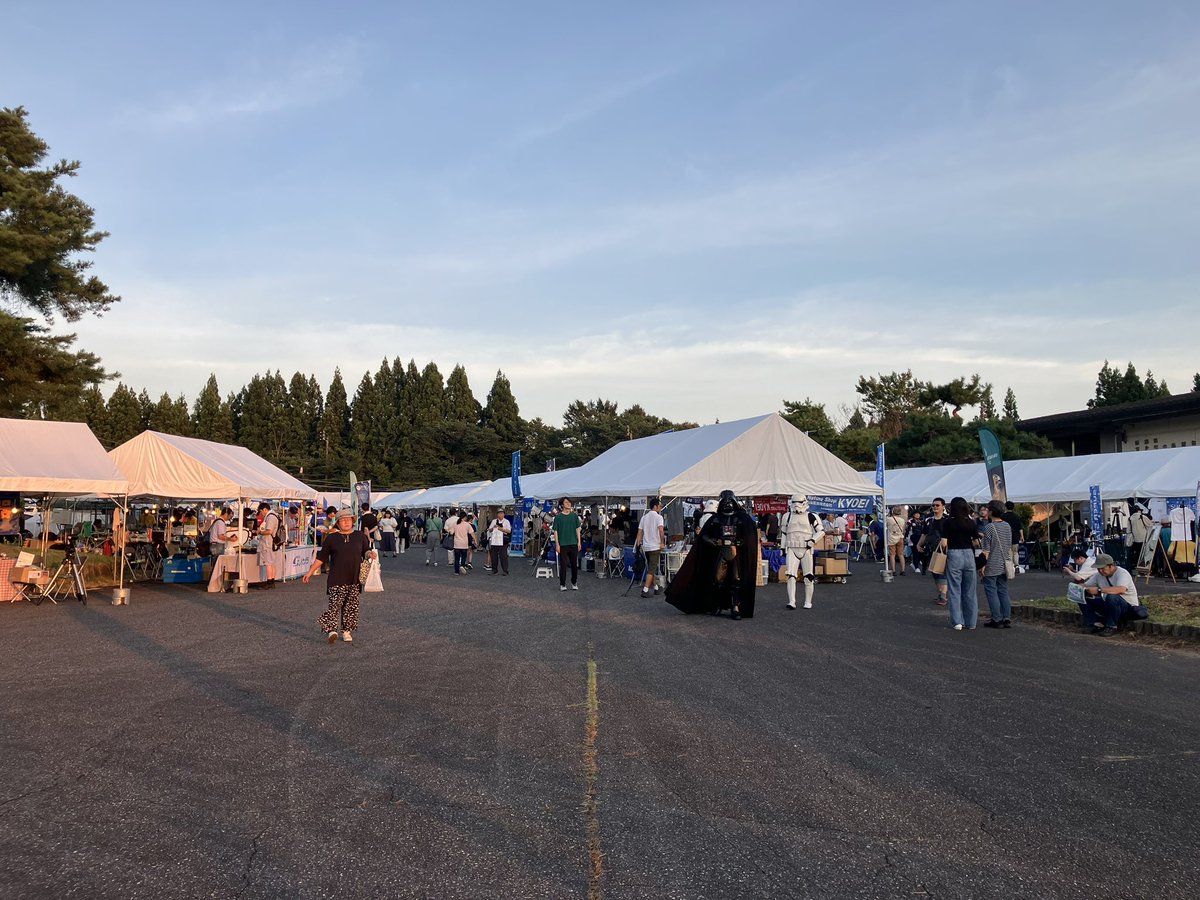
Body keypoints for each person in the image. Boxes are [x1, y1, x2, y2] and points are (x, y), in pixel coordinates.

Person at [666, 490, 758, 620]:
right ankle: (717, 604)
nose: (727, 505)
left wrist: (742, 542)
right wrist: (714, 541)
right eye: (725, 502)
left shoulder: (742, 519)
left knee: (736, 580)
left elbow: (750, 535)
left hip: (735, 552)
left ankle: (735, 606)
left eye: (730, 502)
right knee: (717, 580)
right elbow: (704, 536)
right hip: (721, 552)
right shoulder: (715, 519)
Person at [304, 506, 376, 644]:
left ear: (353, 521)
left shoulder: (359, 536)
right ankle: (332, 630)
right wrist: (310, 572)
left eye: (349, 519)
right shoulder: (332, 538)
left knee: (351, 606)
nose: (346, 522)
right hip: (336, 578)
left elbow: (365, 551)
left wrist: (369, 554)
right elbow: (321, 557)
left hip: (354, 578)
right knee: (334, 605)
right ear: (337, 523)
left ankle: (346, 631)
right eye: (343, 520)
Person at [939, 497, 979, 630]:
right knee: (970, 590)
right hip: (969, 554)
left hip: (954, 554)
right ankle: (971, 622)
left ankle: (957, 622)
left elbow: (944, 543)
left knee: (955, 589)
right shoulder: (971, 523)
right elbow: (975, 541)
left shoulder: (948, 522)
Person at [1079, 553, 1140, 636]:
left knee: (1112, 597)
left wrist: (1099, 590)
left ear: (1111, 566)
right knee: (1082, 597)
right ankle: (1095, 623)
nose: (1100, 571)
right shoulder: (1098, 575)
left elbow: (1121, 589)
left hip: (1127, 606)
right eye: (1098, 569)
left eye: (1103, 569)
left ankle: (1111, 626)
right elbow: (1086, 585)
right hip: (1108, 604)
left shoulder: (1122, 573)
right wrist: (1077, 588)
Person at [780, 494, 822, 610]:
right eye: (794, 502)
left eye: (798, 502)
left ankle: (808, 601)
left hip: (806, 549)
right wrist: (782, 548)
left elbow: (821, 531)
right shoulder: (787, 516)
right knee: (790, 575)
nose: (796, 505)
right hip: (792, 548)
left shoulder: (812, 516)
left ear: (804, 502)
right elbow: (784, 533)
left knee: (808, 576)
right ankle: (791, 601)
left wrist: (812, 540)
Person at [980, 500, 1014, 628]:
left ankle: (996, 618)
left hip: (992, 562)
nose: (986, 512)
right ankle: (1006, 617)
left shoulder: (989, 527)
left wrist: (982, 566)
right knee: (1003, 590)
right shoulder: (1007, 526)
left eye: (988, 509)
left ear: (992, 511)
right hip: (1005, 562)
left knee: (991, 590)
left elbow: (986, 550)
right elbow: (1009, 544)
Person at [918, 498, 949, 606]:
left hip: (944, 550)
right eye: (933, 505)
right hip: (931, 549)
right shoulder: (928, 520)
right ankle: (940, 593)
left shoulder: (947, 520)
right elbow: (924, 534)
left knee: (943, 572)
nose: (935, 507)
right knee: (935, 572)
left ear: (943, 506)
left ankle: (943, 596)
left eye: (937, 505)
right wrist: (919, 544)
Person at [635, 498, 666, 597]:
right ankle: (645, 589)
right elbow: (661, 530)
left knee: (650, 567)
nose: (660, 507)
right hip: (655, 546)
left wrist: (638, 544)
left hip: (646, 546)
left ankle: (656, 587)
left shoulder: (644, 517)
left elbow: (640, 532)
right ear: (655, 506)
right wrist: (662, 542)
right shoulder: (659, 517)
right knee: (652, 568)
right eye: (660, 506)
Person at [552, 498, 582, 592]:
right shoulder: (558, 517)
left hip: (573, 543)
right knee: (563, 565)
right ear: (562, 505)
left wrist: (579, 541)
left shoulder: (574, 516)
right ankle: (563, 584)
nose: (568, 504)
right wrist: (557, 544)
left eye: (569, 502)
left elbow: (578, 529)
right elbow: (555, 531)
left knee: (574, 565)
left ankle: (574, 582)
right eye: (566, 502)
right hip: (563, 544)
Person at [255, 501, 281, 589]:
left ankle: (269, 582)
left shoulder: (270, 517)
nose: (260, 513)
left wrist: (260, 532)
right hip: (271, 542)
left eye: (261, 511)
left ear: (265, 509)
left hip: (268, 543)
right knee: (271, 562)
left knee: (268, 563)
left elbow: (269, 531)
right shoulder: (274, 515)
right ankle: (271, 581)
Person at [487, 509, 512, 575]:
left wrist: (501, 528)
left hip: (503, 540)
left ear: (504, 514)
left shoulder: (506, 521)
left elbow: (509, 531)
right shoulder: (494, 521)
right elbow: (489, 530)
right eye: (499, 513)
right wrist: (493, 528)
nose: (500, 514)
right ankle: (494, 570)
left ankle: (505, 571)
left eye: (502, 513)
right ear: (497, 514)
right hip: (494, 540)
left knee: (503, 556)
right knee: (494, 556)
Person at [1002, 501, 1024, 572]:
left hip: (1006, 537)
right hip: (1015, 537)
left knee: (1009, 552)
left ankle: (1010, 567)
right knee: (1015, 552)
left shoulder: (1003, 516)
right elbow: (1020, 528)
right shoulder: (1016, 516)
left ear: (1005, 507)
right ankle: (1017, 566)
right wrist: (1022, 536)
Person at [886, 506, 907, 575]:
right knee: (901, 555)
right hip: (900, 537)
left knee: (892, 555)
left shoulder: (888, 519)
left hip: (891, 538)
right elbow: (903, 529)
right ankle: (903, 570)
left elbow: (885, 526)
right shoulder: (902, 520)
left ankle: (893, 570)